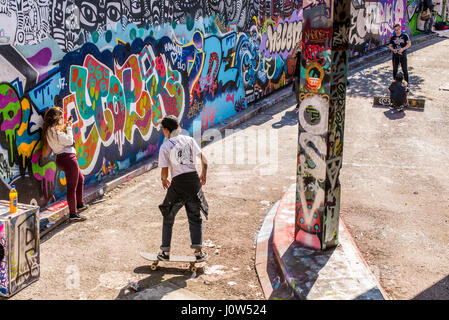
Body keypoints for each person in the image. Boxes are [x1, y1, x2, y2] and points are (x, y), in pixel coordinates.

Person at [157, 115, 209, 262]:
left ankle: (165, 252)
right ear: (179, 127)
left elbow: (164, 170)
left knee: (168, 215)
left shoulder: (166, 146)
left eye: (163, 129)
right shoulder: (190, 140)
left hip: (178, 184)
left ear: (166, 130)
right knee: (195, 217)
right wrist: (203, 174)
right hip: (193, 181)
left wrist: (163, 179)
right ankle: (199, 253)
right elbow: (204, 160)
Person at [41, 107, 88, 222]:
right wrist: (70, 127)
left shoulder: (48, 130)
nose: (62, 118)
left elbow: (62, 140)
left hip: (61, 159)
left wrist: (66, 125)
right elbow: (70, 141)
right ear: (56, 118)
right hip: (69, 160)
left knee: (80, 179)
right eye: (61, 117)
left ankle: (80, 204)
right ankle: (73, 214)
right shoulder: (56, 132)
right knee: (72, 188)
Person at [388, 23, 411, 88]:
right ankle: (395, 84)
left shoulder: (405, 35)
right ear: (394, 30)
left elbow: (409, 44)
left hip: (403, 55)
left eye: (398, 29)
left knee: (405, 70)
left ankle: (407, 85)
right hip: (395, 56)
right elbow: (390, 46)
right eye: (395, 30)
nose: (397, 31)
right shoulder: (393, 37)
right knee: (395, 70)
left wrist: (403, 49)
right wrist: (393, 50)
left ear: (400, 29)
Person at [292, 42, 302, 111]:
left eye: (301, 45)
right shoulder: (299, 53)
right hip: (297, 73)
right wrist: (296, 46)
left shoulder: (307, 52)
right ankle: (298, 103)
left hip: (305, 75)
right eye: (299, 46)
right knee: (297, 90)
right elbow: (293, 55)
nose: (300, 47)